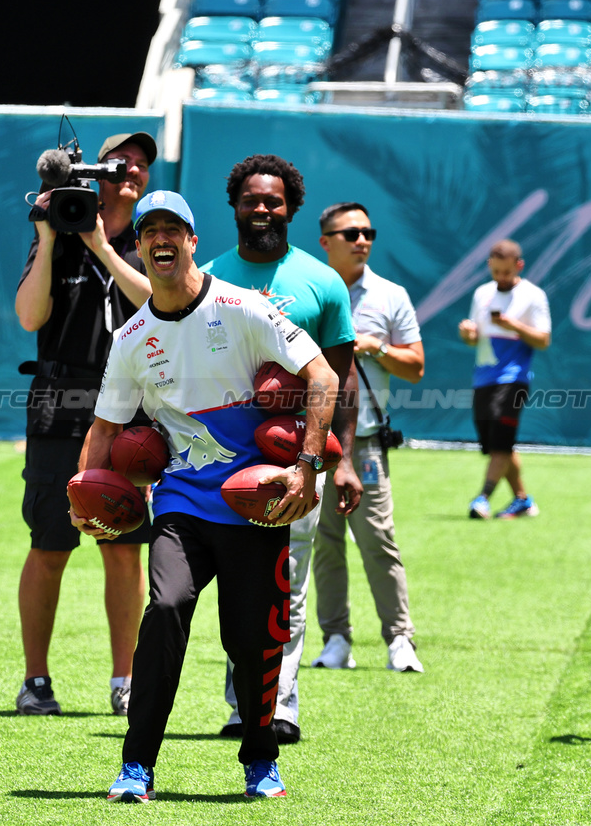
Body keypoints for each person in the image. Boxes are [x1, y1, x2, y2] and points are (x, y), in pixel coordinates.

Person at [88, 190, 338, 801]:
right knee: (166, 610)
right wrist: (85, 502)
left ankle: (260, 760)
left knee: (252, 641)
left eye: (174, 229)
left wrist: (306, 466)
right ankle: (136, 766)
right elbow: (105, 430)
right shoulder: (131, 338)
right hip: (181, 507)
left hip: (256, 504)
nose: (162, 240)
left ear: (192, 241)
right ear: (140, 246)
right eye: (150, 232)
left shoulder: (243, 307)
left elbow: (323, 377)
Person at [200, 154, 362, 744]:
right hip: (221, 457)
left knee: (285, 585)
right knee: (234, 588)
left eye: (273, 200)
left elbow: (339, 381)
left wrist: (336, 462)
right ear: (235, 206)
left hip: (296, 456)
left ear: (290, 207)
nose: (262, 209)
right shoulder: (208, 276)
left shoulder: (322, 282)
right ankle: (243, 704)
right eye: (252, 200)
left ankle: (277, 707)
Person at [14, 132, 157, 716]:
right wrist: (50, 238)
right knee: (50, 544)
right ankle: (36, 680)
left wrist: (102, 246)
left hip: (129, 411)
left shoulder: (153, 236)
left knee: (124, 549)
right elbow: (29, 317)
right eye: (120, 162)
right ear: (94, 174)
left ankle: (125, 680)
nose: (131, 171)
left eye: (140, 165)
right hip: (59, 404)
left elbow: (158, 303)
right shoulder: (58, 232)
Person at [310, 202, 425, 674]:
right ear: (326, 241)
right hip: (312, 441)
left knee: (378, 540)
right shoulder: (308, 289)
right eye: (351, 233)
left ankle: (399, 639)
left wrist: (375, 347)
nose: (362, 240)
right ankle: (335, 638)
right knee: (324, 543)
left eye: (368, 232)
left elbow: (416, 367)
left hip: (366, 441)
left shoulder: (390, 294)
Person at [457, 239, 551, 520]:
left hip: (514, 378)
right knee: (498, 443)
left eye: (506, 272)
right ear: (489, 266)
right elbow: (474, 338)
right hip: (483, 378)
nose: (501, 278)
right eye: (496, 272)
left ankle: (482, 498)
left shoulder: (534, 295)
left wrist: (514, 325)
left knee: (500, 442)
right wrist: (467, 334)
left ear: (518, 266)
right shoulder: (482, 294)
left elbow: (544, 340)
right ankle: (522, 500)